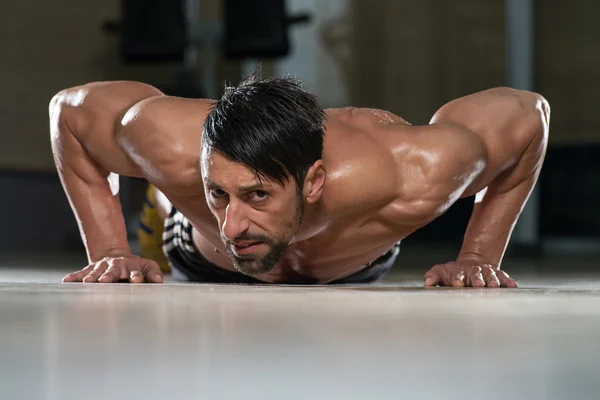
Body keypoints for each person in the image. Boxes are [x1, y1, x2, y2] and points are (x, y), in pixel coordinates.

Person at [49, 73, 549, 287]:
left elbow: (529, 116)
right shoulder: (169, 142)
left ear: (313, 183)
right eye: (219, 193)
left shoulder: (414, 172)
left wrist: (478, 254)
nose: (233, 223)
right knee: (186, 206)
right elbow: (68, 114)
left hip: (350, 262)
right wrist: (108, 250)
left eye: (258, 194)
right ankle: (168, 202)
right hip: (200, 253)